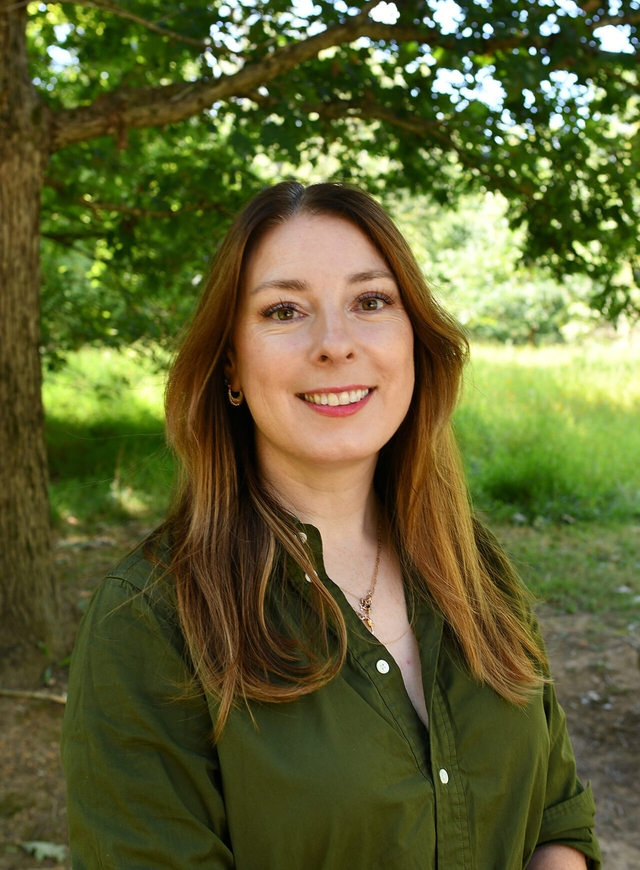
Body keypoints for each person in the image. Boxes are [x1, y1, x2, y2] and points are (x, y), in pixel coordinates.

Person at [61, 181, 601, 870]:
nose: (335, 344)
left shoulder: (472, 562)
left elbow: (558, 815)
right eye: (285, 311)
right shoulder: (150, 621)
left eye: (370, 302)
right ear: (230, 361)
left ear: (414, 339)